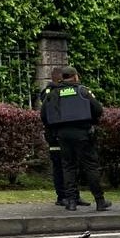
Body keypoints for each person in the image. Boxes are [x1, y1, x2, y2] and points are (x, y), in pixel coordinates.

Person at [40, 66, 111, 212]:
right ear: (75, 76)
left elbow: (44, 115)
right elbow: (98, 110)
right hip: (83, 133)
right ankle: (100, 201)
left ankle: (71, 202)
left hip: (63, 135)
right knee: (90, 166)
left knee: (68, 167)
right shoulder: (82, 91)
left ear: (63, 77)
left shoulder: (54, 93)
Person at [39, 66, 83, 207]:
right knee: (59, 167)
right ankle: (62, 196)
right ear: (59, 79)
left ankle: (74, 196)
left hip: (65, 134)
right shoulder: (51, 92)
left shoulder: (64, 92)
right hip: (55, 135)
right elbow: (48, 114)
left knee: (72, 165)